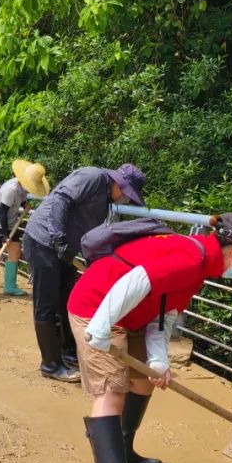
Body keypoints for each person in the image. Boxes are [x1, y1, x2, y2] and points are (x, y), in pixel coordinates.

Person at [68, 213, 232, 463]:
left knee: (144, 382)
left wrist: (159, 360)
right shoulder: (190, 258)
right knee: (111, 392)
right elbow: (133, 281)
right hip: (97, 307)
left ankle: (124, 451)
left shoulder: (200, 266)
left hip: (132, 315)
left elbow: (165, 313)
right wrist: (102, 327)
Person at [22, 163, 146, 383]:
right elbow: (61, 199)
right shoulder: (93, 177)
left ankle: (68, 353)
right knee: (47, 304)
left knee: (67, 302)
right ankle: (50, 364)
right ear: (119, 184)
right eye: (127, 195)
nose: (125, 200)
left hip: (66, 250)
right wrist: (58, 237)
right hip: (43, 241)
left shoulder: (106, 200)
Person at [0, 159, 50, 297]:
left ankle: (10, 286)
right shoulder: (11, 189)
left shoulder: (23, 187)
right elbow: (2, 212)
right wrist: (5, 235)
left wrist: (24, 204)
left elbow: (21, 199)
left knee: (15, 251)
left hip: (10, 223)